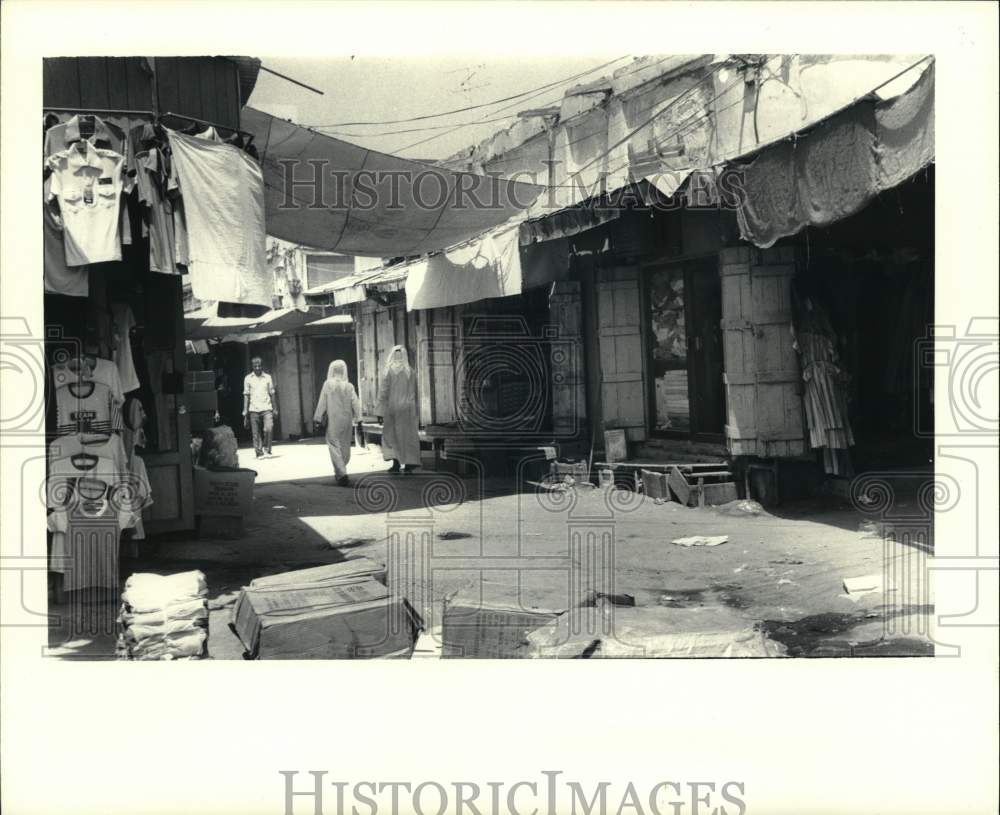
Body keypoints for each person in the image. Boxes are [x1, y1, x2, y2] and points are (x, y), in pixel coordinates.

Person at [313, 359, 361, 486]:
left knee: (334, 445)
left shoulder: (328, 384)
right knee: (344, 445)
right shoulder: (349, 386)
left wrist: (318, 418)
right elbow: (355, 403)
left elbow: (322, 402)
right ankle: (340, 471)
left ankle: (342, 473)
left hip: (334, 420)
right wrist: (359, 419)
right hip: (347, 420)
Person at [378, 345, 421, 474]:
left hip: (392, 408)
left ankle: (396, 464)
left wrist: (380, 410)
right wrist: (415, 410)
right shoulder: (410, 371)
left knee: (392, 436)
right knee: (408, 436)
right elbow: (414, 392)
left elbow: (383, 392)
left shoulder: (388, 371)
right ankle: (409, 465)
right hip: (407, 408)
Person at [242, 356, 278, 459]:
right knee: (256, 433)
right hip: (254, 409)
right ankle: (259, 452)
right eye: (255, 366)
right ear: (252, 367)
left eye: (259, 365)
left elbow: (272, 393)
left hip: (267, 407)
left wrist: (275, 408)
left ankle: (267, 449)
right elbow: (246, 395)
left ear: (262, 366)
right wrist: (245, 411)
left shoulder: (268, 377)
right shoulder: (248, 379)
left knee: (269, 428)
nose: (257, 368)